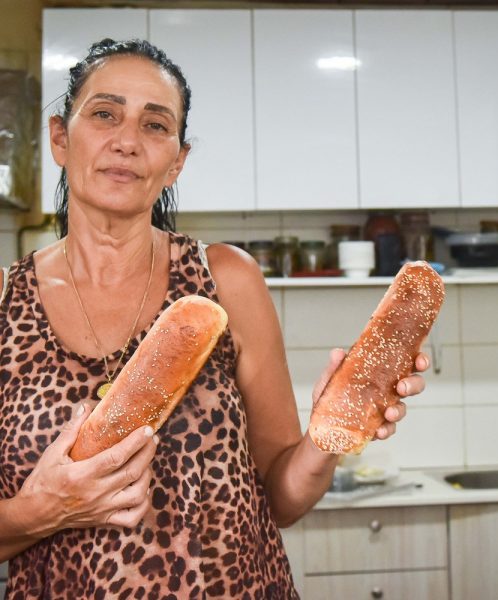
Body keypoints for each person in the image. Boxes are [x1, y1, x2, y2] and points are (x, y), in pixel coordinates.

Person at [0, 39, 429, 599]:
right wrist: (44, 509)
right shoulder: (6, 301)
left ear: (176, 162)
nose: (127, 141)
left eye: (155, 125)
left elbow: (284, 501)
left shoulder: (227, 279)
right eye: (105, 114)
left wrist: (327, 436)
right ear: (61, 137)